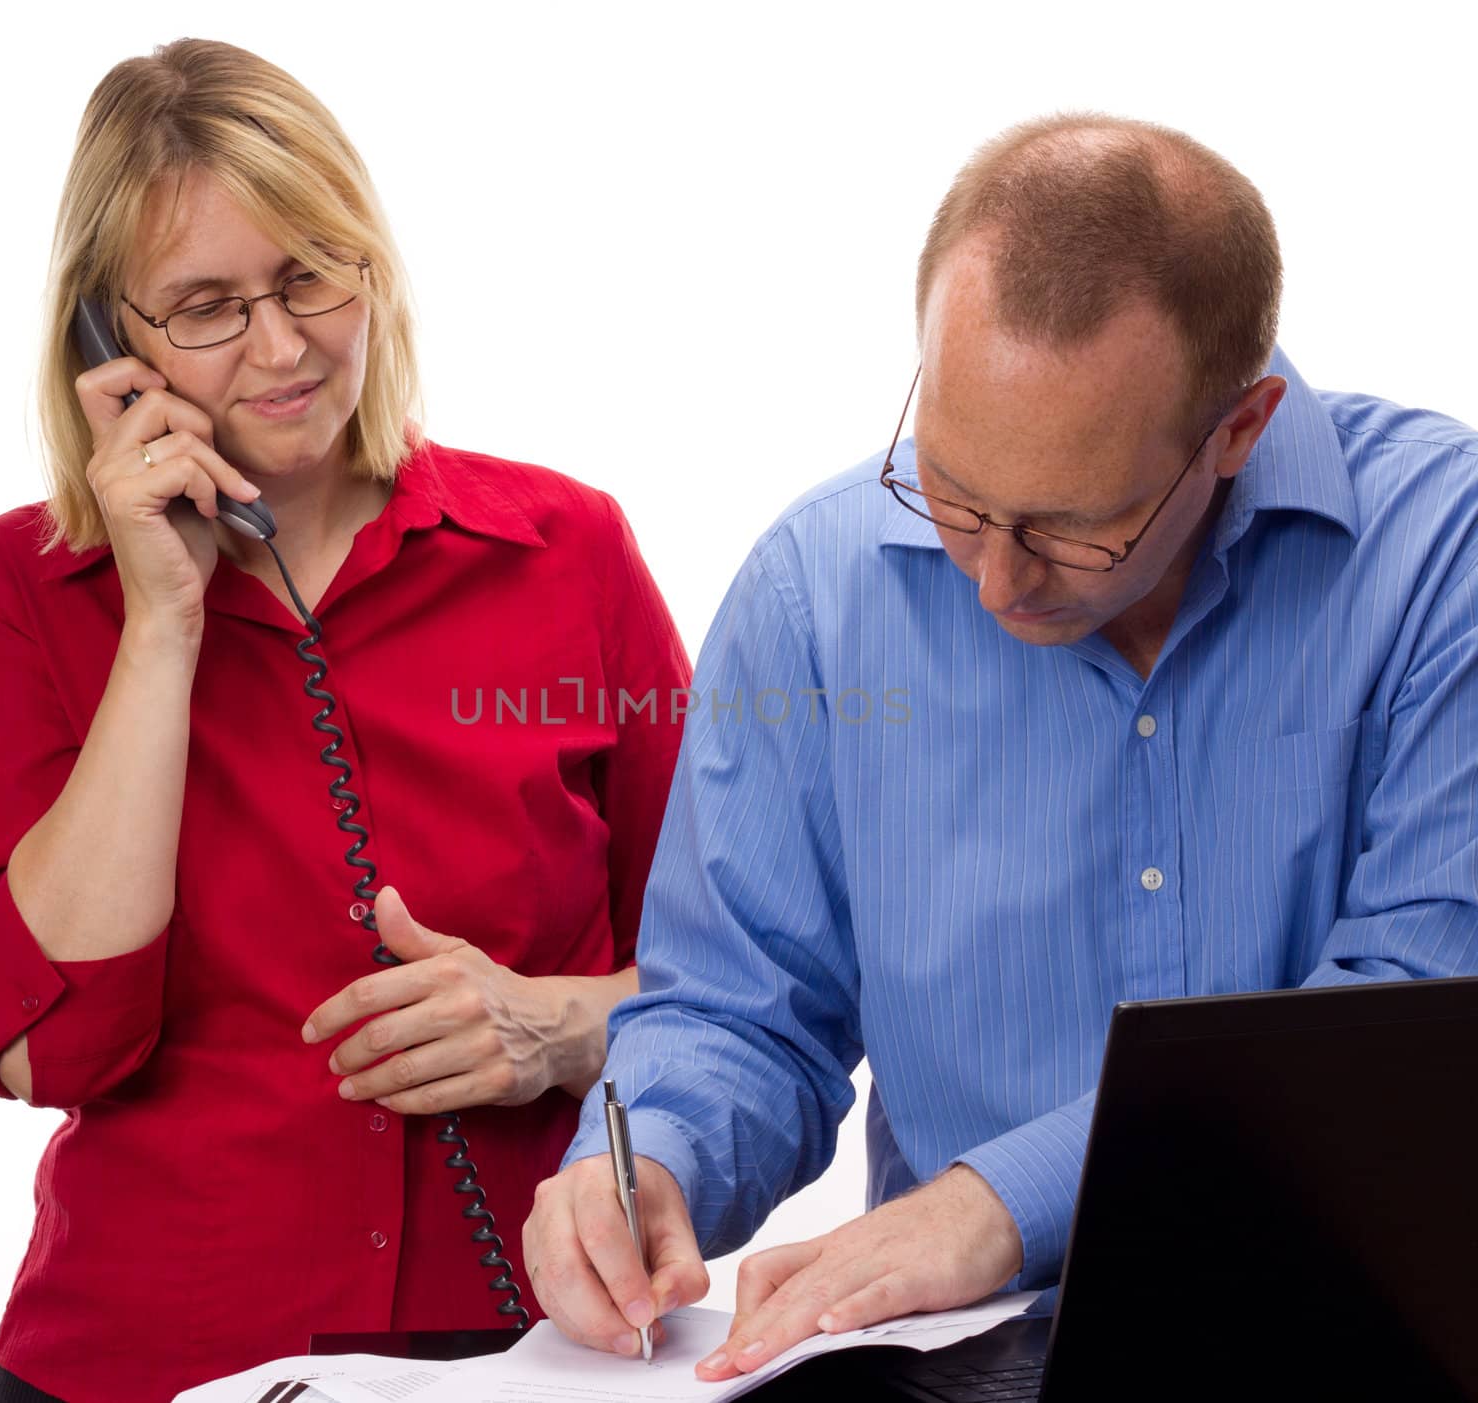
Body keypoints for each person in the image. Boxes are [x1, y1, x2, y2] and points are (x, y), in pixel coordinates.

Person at [522, 112, 1478, 1378]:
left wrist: (999, 1201)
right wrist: (645, 1156)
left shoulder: (1437, 555)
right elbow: (742, 1011)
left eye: (1076, 528)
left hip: (1378, 1344)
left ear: (1240, 429)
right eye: (955, 492)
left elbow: (1414, 1014)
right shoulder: (815, 590)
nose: (990, 583)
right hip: (970, 1373)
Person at [0, 39, 688, 1403]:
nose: (279, 348)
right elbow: (44, 1044)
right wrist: (163, 624)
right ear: (112, 342)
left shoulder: (567, 550)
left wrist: (553, 1026)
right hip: (150, 1358)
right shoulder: (21, 594)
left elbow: (744, 974)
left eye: (307, 277)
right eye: (205, 306)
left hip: (521, 1348)